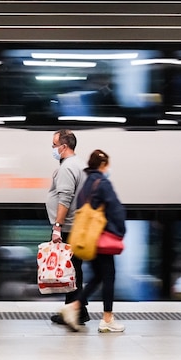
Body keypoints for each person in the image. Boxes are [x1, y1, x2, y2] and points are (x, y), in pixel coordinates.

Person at [59, 150, 127, 332]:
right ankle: (107, 319)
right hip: (103, 237)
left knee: (98, 276)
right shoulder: (103, 183)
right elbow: (115, 210)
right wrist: (119, 231)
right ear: (103, 165)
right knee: (109, 276)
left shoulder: (87, 183)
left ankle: (74, 306)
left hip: (89, 238)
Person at [46, 129, 89, 327]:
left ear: (64, 147)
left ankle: (76, 311)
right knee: (74, 269)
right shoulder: (81, 164)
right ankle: (76, 310)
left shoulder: (67, 167)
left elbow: (65, 198)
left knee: (70, 270)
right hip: (78, 225)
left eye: (54, 146)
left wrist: (57, 226)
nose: (53, 149)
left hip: (68, 227)